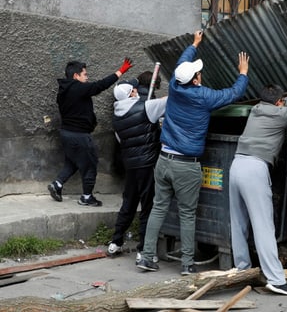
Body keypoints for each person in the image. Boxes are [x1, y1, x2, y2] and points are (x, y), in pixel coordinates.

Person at [136, 30, 250, 276]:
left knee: (158, 208)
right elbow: (233, 94)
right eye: (199, 72)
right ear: (197, 80)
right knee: (187, 214)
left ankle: (146, 257)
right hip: (186, 165)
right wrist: (243, 73)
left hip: (164, 160)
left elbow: (180, 65)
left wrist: (194, 45)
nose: (200, 73)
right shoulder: (204, 97)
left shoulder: (176, 86)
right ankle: (187, 264)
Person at [229, 83, 287, 296]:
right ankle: (276, 279)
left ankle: (242, 269)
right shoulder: (280, 114)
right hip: (255, 169)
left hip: (236, 165)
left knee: (238, 223)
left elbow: (284, 107)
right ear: (278, 102)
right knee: (263, 226)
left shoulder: (257, 109)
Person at [48, 58, 134, 206]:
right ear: (76, 76)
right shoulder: (77, 88)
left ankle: (57, 184)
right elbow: (99, 86)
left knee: (73, 162)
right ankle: (86, 197)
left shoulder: (64, 90)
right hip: (79, 136)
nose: (87, 77)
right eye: (85, 74)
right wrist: (120, 72)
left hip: (67, 134)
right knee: (90, 166)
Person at [107, 79, 167, 259]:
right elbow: (168, 100)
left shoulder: (116, 117)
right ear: (132, 93)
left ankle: (115, 242)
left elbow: (121, 141)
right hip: (147, 164)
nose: (136, 91)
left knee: (129, 203)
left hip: (130, 165)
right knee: (148, 207)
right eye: (134, 90)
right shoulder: (146, 107)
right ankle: (144, 249)